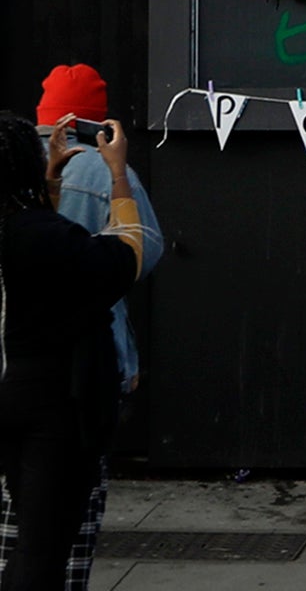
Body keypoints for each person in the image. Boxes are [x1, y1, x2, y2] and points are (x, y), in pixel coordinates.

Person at [1, 66, 165, 587]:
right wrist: (118, 175)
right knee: (64, 523)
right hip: (75, 378)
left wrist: (48, 183)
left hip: (14, 374)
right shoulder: (102, 171)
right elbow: (139, 252)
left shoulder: (21, 209)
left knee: (15, 516)